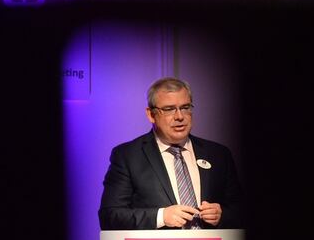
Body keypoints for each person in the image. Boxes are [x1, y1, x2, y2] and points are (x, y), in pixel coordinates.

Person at [98, 76, 244, 230]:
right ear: (151, 114)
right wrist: (161, 217)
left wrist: (221, 216)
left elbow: (241, 211)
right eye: (169, 109)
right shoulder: (128, 156)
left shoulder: (218, 154)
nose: (179, 116)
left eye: (185, 107)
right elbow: (110, 217)